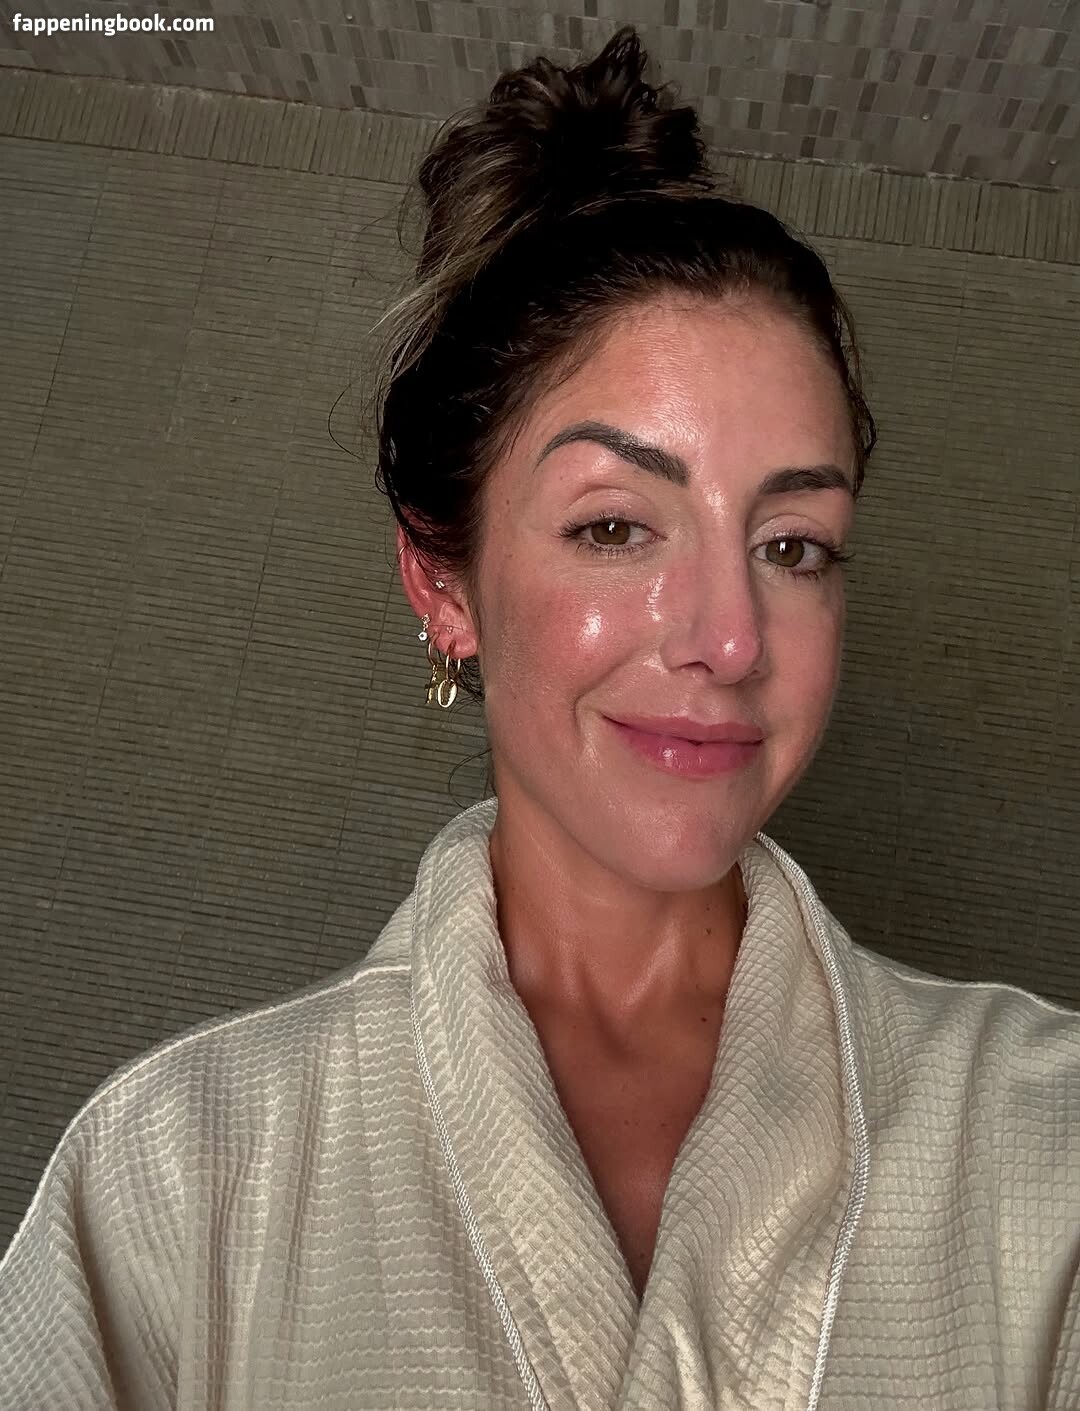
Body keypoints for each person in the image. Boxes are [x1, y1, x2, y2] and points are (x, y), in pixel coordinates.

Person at [1, 24, 1078, 1411]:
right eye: (615, 525)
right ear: (444, 584)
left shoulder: (1044, 1139)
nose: (731, 639)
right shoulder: (174, 1182)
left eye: (794, 544)